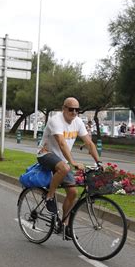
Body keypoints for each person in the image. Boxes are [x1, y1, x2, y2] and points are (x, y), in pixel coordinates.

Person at [37, 97, 100, 239]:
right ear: (63, 108)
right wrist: (73, 162)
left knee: (72, 192)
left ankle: (65, 226)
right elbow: (61, 142)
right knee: (65, 168)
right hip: (46, 154)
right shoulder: (55, 120)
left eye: (77, 110)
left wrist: (99, 162)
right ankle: (49, 196)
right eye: (71, 109)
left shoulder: (78, 122)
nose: (74, 112)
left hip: (62, 160)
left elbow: (89, 143)